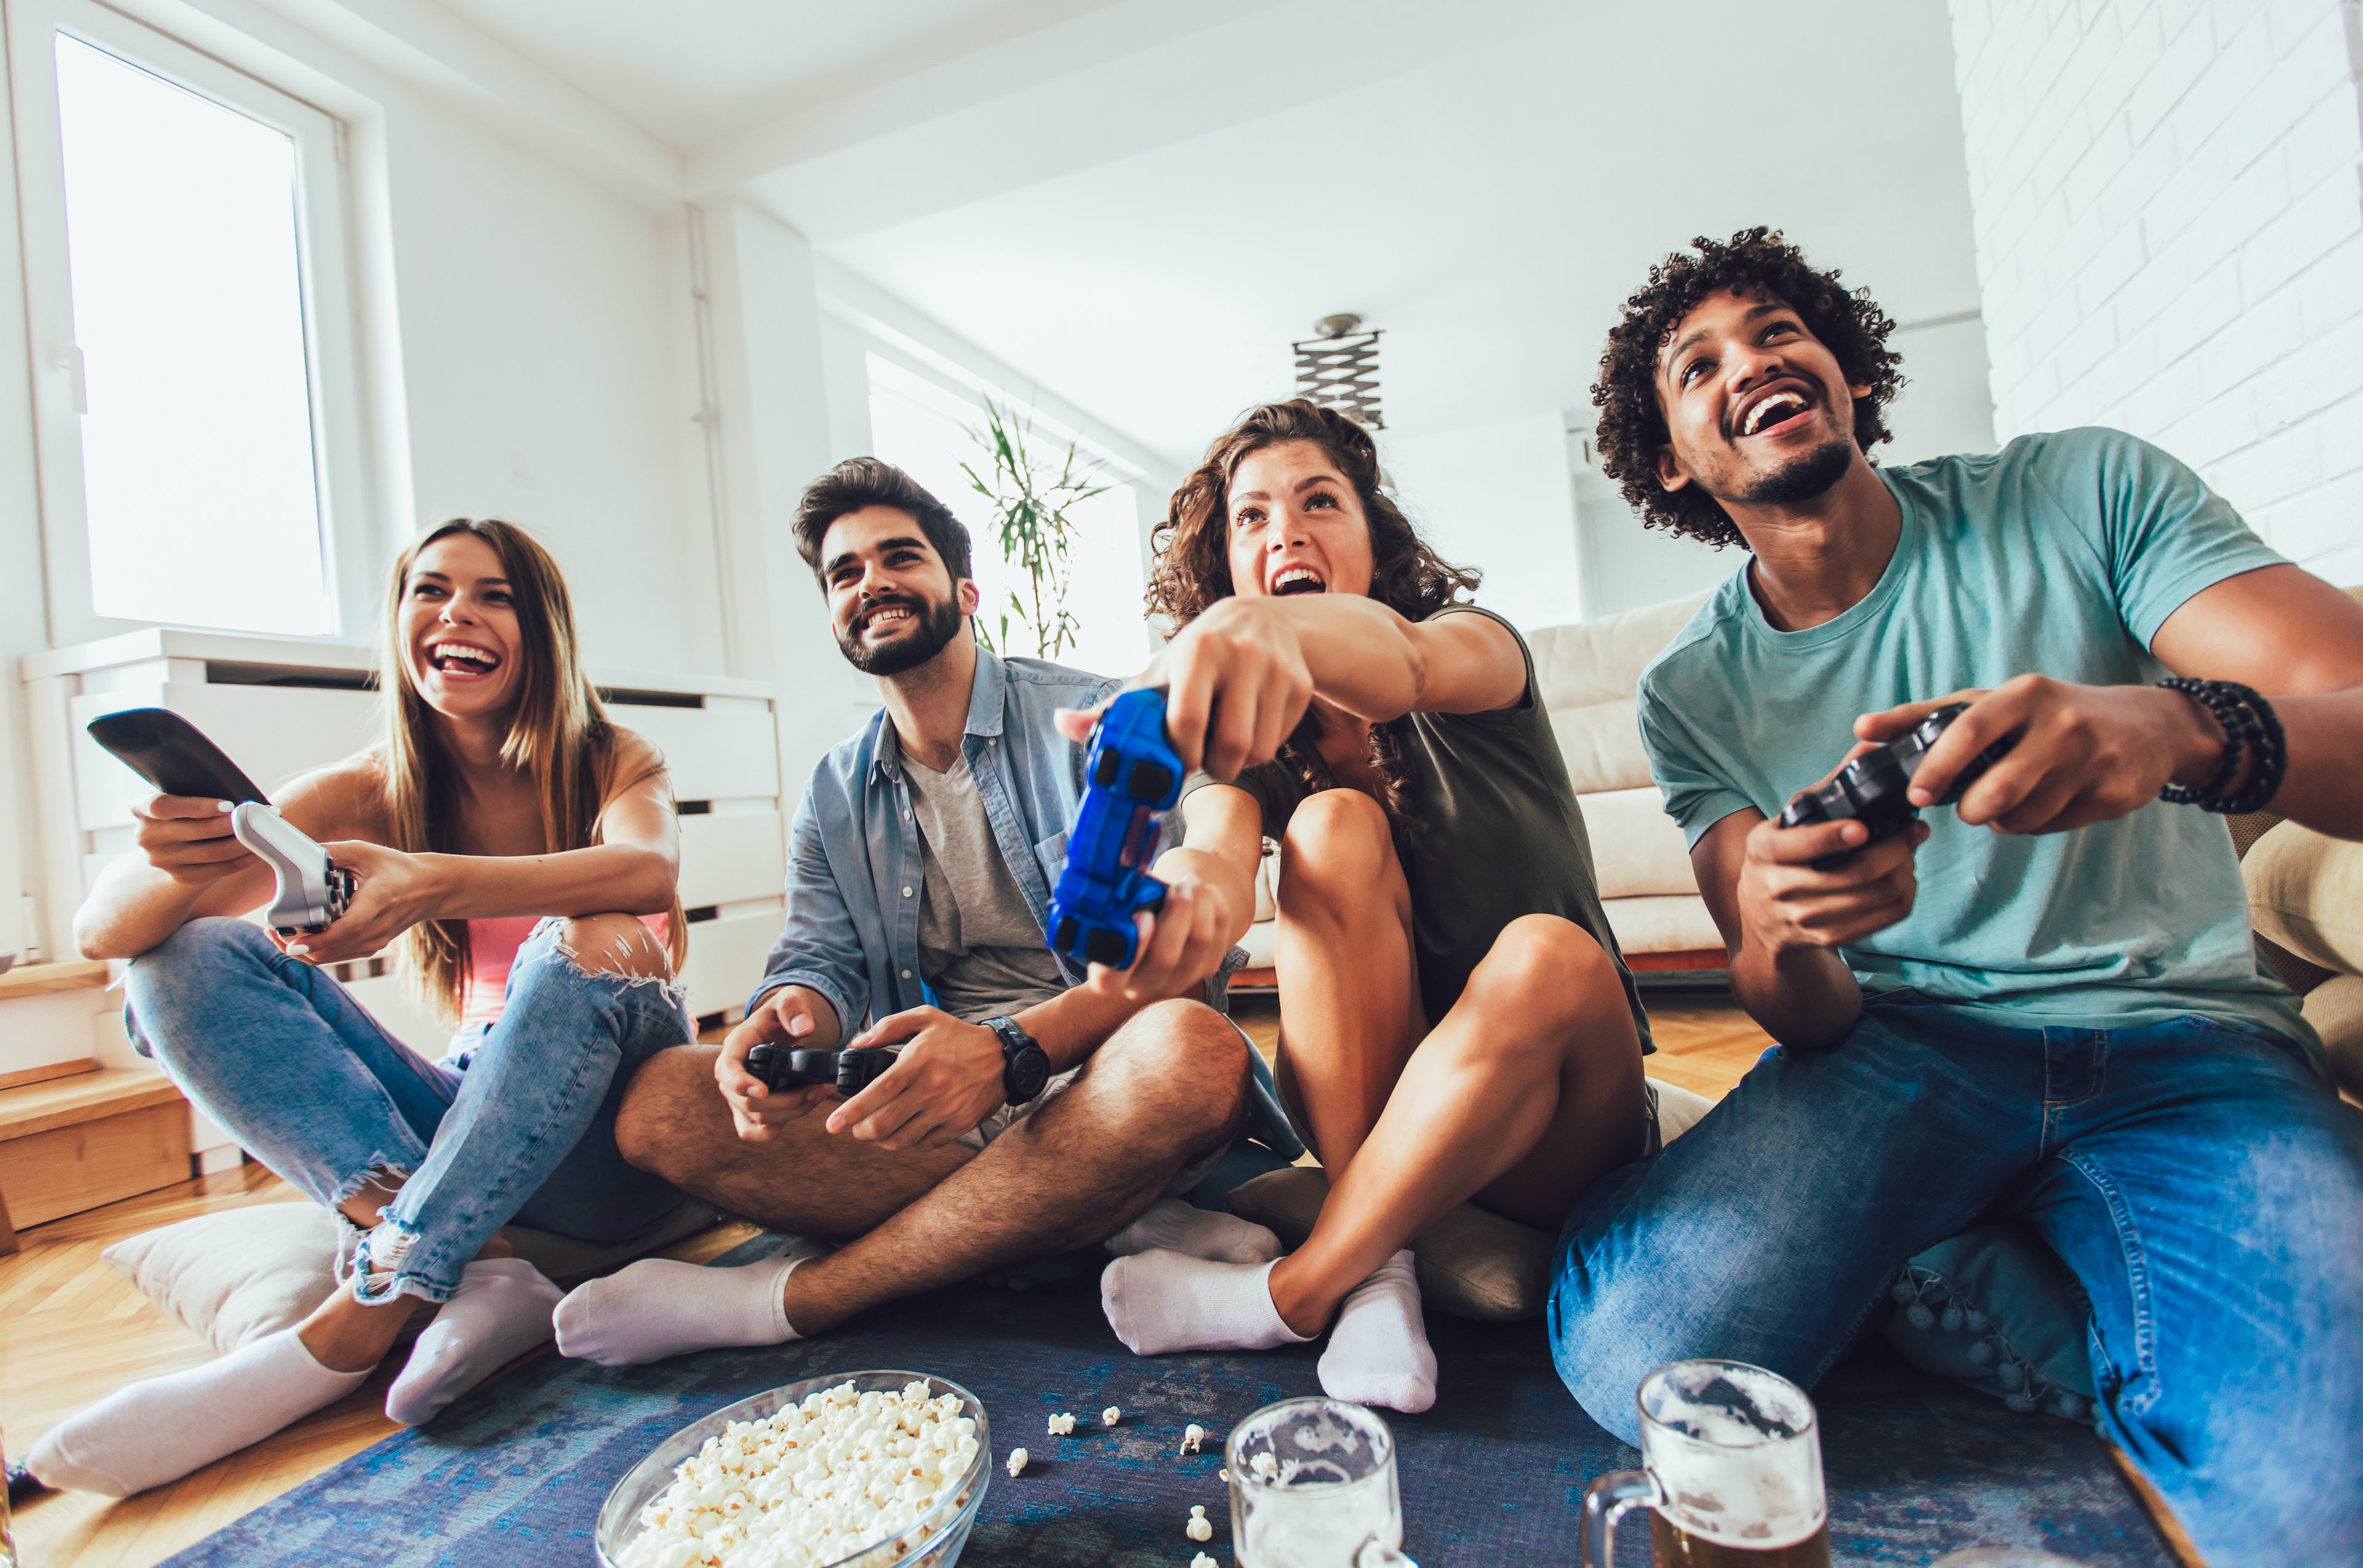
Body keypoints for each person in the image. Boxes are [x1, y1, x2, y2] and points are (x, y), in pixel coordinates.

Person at [1556, 227, 2363, 1564]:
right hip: (1902, 1051)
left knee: (2320, 1494)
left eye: (1778, 331)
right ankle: (2082, 1295)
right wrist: (1788, 928)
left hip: (2189, 1045)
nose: (1751, 361)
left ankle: (1982, 1280)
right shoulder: (1692, 691)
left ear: (1850, 372)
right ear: (1672, 461)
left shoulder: (2081, 491)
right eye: (1699, 365)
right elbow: (1798, 1011)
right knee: (1641, 1357)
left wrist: (2181, 728)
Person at [551, 458, 1290, 1366]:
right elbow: (818, 959)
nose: (871, 582)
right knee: (659, 1106)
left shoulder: (1093, 717)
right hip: (935, 1104)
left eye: (899, 557)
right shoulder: (834, 791)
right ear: (833, 615)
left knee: (1194, 1051)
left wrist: (1009, 1052)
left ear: (966, 591)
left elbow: (1192, 913)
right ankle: (1105, 1219)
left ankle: (795, 1298)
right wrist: (787, 1017)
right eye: (845, 573)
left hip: (1110, 1074)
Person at [28, 519, 694, 1497]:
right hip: (476, 1119)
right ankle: (477, 1265)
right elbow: (104, 932)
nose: (456, 612)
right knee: (179, 960)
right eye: (431, 590)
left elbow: (646, 868)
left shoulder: (612, 757)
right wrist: (181, 861)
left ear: (544, 630)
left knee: (581, 937)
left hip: (617, 1147)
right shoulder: (372, 786)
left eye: (495, 595)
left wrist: (429, 881)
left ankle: (371, 1306)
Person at [1089, 399, 1654, 1414]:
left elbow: (1405, 662)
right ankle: (1381, 1274)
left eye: (1319, 503)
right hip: (1373, 1107)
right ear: (1227, 561)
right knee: (1331, 826)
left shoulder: (1473, 651)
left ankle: (1297, 1291)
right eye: (1252, 517)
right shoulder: (1251, 752)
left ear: (1375, 537)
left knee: (1546, 956)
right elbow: (1216, 853)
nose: (1286, 533)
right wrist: (1181, 899)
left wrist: (1248, 631)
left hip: (1556, 1109)